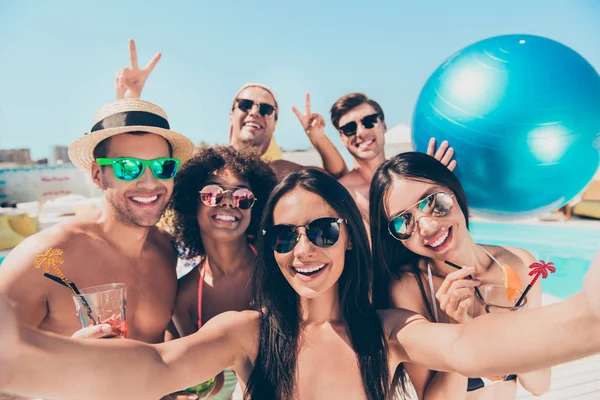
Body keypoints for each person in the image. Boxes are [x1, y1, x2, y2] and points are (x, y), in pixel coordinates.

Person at [2, 169, 600, 400]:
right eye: (285, 237)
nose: (304, 249)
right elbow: (158, 368)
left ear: (349, 235)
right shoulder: (245, 334)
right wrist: (33, 360)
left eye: (321, 230)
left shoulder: (387, 331)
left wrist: (588, 316)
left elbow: (470, 350)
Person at [0, 99, 193, 342]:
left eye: (162, 167)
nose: (149, 182)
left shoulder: (166, 250)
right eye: (127, 166)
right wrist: (69, 358)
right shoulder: (41, 259)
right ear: (96, 175)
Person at [369, 152, 551, 399]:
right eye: (403, 221)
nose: (428, 227)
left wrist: (511, 335)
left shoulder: (522, 264)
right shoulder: (408, 288)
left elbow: (539, 384)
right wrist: (460, 331)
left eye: (433, 202)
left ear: (454, 191)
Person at [115, 39, 348, 179]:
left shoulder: (278, 172)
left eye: (266, 109)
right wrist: (131, 97)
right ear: (231, 114)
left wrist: (317, 138)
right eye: (246, 105)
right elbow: (139, 159)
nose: (254, 112)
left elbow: (337, 177)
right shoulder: (204, 162)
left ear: (275, 123)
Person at [168, 145, 276, 398]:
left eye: (242, 196)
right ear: (192, 203)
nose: (228, 202)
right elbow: (207, 381)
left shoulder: (278, 268)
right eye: (212, 194)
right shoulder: (184, 296)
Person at [296, 92, 456, 223]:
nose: (361, 132)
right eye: (350, 128)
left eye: (369, 122)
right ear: (342, 138)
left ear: (384, 125)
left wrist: (438, 184)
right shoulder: (342, 194)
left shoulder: (414, 177)